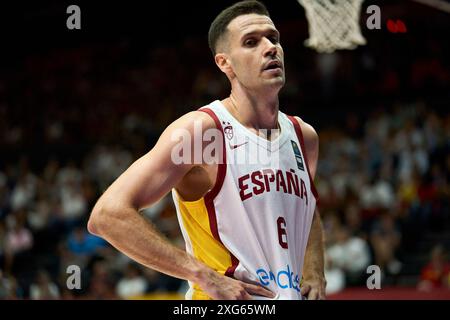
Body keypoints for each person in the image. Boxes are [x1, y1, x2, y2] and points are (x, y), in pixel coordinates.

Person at [87, 0, 326, 300]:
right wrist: (201, 274)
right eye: (251, 42)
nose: (270, 48)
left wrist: (314, 268)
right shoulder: (201, 132)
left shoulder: (304, 136)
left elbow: (306, 210)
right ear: (225, 63)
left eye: (273, 38)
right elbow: (107, 215)